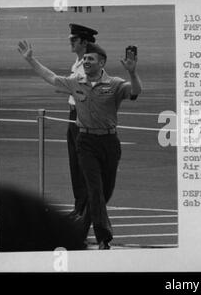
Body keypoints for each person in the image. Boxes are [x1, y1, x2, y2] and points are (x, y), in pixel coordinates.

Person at [17, 40, 143, 249]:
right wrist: (31, 60)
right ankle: (103, 237)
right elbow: (51, 77)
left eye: (90, 59)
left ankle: (79, 231)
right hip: (85, 142)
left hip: (109, 142)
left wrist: (132, 72)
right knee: (94, 189)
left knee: (105, 191)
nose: (85, 61)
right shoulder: (76, 82)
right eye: (84, 58)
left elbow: (136, 91)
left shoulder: (115, 84)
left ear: (101, 63)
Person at [65, 24, 97, 222]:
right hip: (72, 114)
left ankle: (84, 210)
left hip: (82, 115)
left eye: (73, 40)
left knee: (83, 164)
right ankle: (79, 207)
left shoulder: (89, 64)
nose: (71, 42)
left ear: (84, 42)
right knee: (74, 164)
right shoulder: (77, 63)